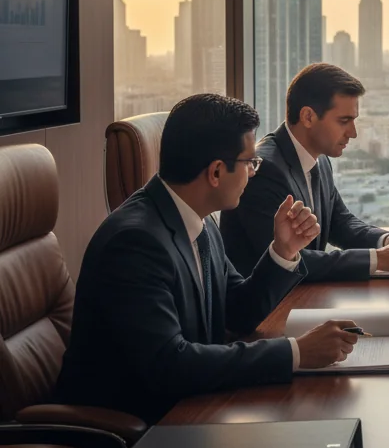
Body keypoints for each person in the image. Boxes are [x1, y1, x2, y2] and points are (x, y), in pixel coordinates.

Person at [57, 94, 362, 423]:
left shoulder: (196, 220)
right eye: (250, 163)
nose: (254, 173)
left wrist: (283, 251)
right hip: (136, 435)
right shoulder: (135, 243)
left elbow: (238, 310)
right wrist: (297, 352)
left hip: (194, 407)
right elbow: (170, 365)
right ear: (216, 172)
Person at [221, 64, 389, 281]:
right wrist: (379, 259)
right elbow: (290, 261)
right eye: (344, 121)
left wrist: (387, 241)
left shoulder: (320, 158)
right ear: (308, 117)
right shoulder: (264, 171)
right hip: (269, 308)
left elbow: (341, 222)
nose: (353, 133)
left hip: (302, 298)